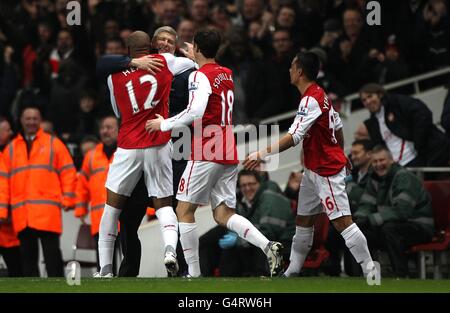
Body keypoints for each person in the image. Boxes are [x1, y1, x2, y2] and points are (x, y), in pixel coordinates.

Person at [146, 28, 284, 278]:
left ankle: (194, 274)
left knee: (183, 211)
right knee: (223, 214)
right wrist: (195, 58)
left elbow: (195, 111)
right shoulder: (227, 73)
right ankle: (268, 246)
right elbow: (210, 81)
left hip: (206, 149)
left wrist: (163, 123)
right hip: (228, 150)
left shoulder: (198, 77)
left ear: (197, 47)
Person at [244, 52, 375, 278]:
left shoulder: (310, 100)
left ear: (300, 71)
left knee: (343, 222)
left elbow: (294, 137)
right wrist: (341, 153)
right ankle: (291, 273)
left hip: (326, 170)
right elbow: (337, 125)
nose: (289, 71)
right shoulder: (320, 95)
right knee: (303, 222)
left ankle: (372, 272)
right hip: (313, 170)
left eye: (292, 67)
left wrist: (261, 152)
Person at [95, 31, 196, 278]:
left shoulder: (113, 76)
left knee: (112, 209)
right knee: (163, 206)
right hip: (158, 144)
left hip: (129, 146)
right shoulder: (165, 62)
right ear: (150, 46)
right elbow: (193, 65)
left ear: (127, 51)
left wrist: (129, 65)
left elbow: (117, 109)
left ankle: (106, 269)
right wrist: (194, 57)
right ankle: (170, 251)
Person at [3, 105, 77, 277]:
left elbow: (68, 172)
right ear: (21, 120)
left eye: (35, 118)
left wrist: (68, 199)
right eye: (27, 118)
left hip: (47, 214)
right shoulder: (12, 149)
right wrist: (2, 209)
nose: (31, 122)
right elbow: (3, 182)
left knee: (52, 260)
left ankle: (57, 290)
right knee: (28, 262)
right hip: (23, 215)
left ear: (40, 121)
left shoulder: (53, 143)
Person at [354, 145, 434, 278]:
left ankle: (401, 275)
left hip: (420, 226)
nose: (379, 164)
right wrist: (359, 220)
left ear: (392, 160)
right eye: (375, 161)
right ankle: (364, 276)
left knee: (390, 229)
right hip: (392, 224)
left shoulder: (405, 178)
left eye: (382, 160)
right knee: (358, 233)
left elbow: (402, 211)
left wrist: (370, 220)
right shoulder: (374, 179)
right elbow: (366, 205)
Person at [200, 170, 294, 277]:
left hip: (282, 243)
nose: (247, 188)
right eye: (243, 185)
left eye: (251, 184)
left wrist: (238, 240)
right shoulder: (243, 200)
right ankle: (202, 276)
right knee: (207, 240)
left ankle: (260, 278)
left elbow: (269, 232)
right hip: (256, 240)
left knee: (235, 249)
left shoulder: (270, 197)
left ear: (260, 184)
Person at [359, 83, 450, 167]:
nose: (368, 101)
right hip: (400, 165)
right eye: (364, 100)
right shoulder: (373, 123)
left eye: (370, 96)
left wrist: (419, 144)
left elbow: (422, 113)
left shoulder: (396, 102)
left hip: (427, 155)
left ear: (380, 94)